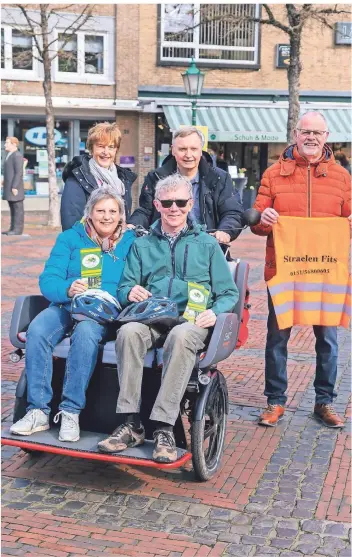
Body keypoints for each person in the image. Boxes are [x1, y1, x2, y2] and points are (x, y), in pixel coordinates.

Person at [98, 173, 238, 463]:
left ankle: (164, 428)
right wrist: (130, 292)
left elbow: (228, 292)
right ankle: (131, 422)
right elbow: (124, 287)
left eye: (181, 202)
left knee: (181, 336)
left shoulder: (208, 245)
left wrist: (214, 312)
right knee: (128, 333)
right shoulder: (143, 244)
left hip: (191, 321)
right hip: (152, 317)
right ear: (158, 205)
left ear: (189, 205)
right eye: (167, 202)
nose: (174, 208)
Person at [10, 187, 136, 442]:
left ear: (122, 216)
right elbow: (48, 279)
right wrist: (67, 288)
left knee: (86, 333)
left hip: (103, 313)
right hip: (68, 305)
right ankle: (37, 411)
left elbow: (133, 282)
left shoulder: (131, 243)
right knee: (37, 329)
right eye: (100, 210)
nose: (107, 217)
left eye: (113, 211)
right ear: (89, 213)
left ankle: (70, 412)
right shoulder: (70, 238)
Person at [251, 111, 351, 429]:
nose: (311, 137)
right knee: (277, 338)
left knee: (328, 340)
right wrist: (262, 220)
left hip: (324, 273)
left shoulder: (342, 177)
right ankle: (275, 402)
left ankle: (324, 402)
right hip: (285, 270)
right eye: (305, 131)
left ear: (327, 137)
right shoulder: (273, 174)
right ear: (295, 134)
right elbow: (255, 218)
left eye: (317, 133)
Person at [128, 126, 243, 244]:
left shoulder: (220, 178)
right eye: (182, 149)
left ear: (201, 150)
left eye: (193, 149)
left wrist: (225, 231)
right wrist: (132, 225)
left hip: (207, 247)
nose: (188, 155)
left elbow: (232, 212)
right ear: (173, 150)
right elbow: (146, 211)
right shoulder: (156, 178)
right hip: (164, 247)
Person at [60, 122, 137, 231]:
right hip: (90, 246)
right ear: (91, 149)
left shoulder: (122, 180)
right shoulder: (76, 180)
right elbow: (71, 225)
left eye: (111, 147)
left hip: (119, 244)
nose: (106, 152)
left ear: (116, 150)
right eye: (101, 146)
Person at [2, 136, 24, 236]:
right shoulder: (9, 155)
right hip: (9, 187)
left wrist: (14, 186)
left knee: (17, 209)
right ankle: (12, 228)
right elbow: (9, 172)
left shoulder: (17, 155)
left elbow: (18, 172)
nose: (5, 145)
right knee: (12, 208)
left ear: (14, 144)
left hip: (15, 188)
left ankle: (17, 230)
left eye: (7, 143)